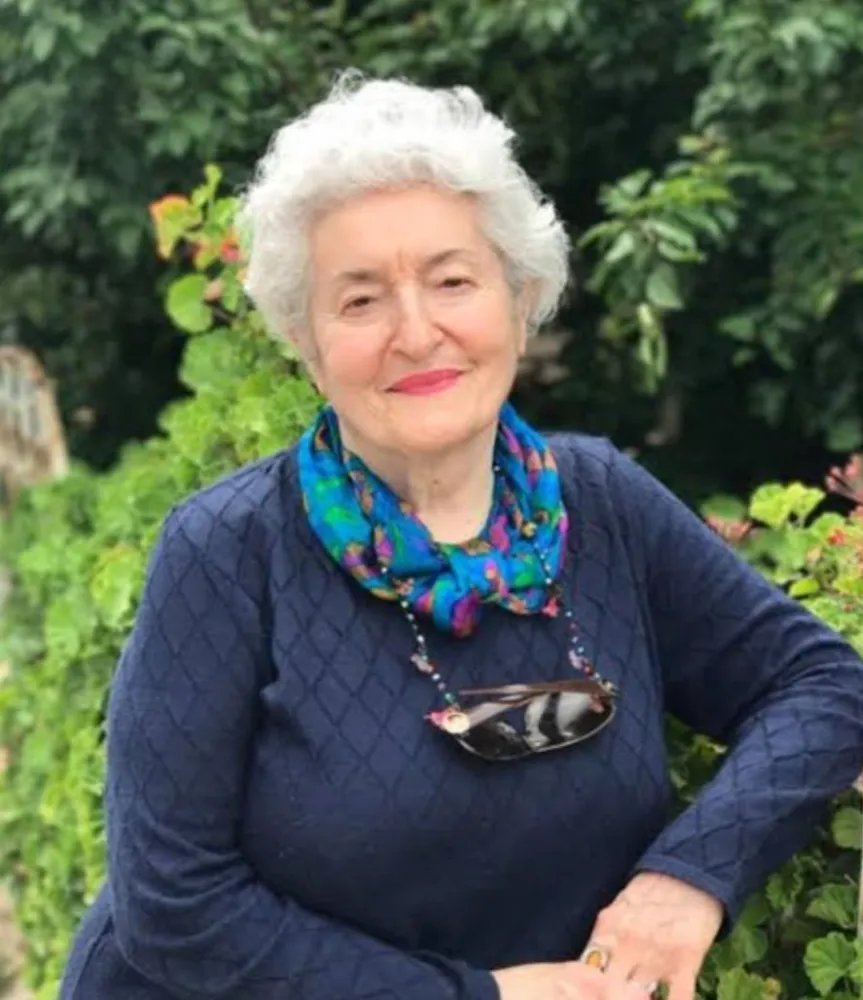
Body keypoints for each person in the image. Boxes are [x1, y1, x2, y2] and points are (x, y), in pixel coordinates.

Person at [59, 73, 863, 1000]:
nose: (416, 332)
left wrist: (687, 880)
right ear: (306, 342)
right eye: (360, 300)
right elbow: (174, 904)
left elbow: (822, 683)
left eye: (451, 281)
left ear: (520, 302)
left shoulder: (601, 504)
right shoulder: (226, 551)